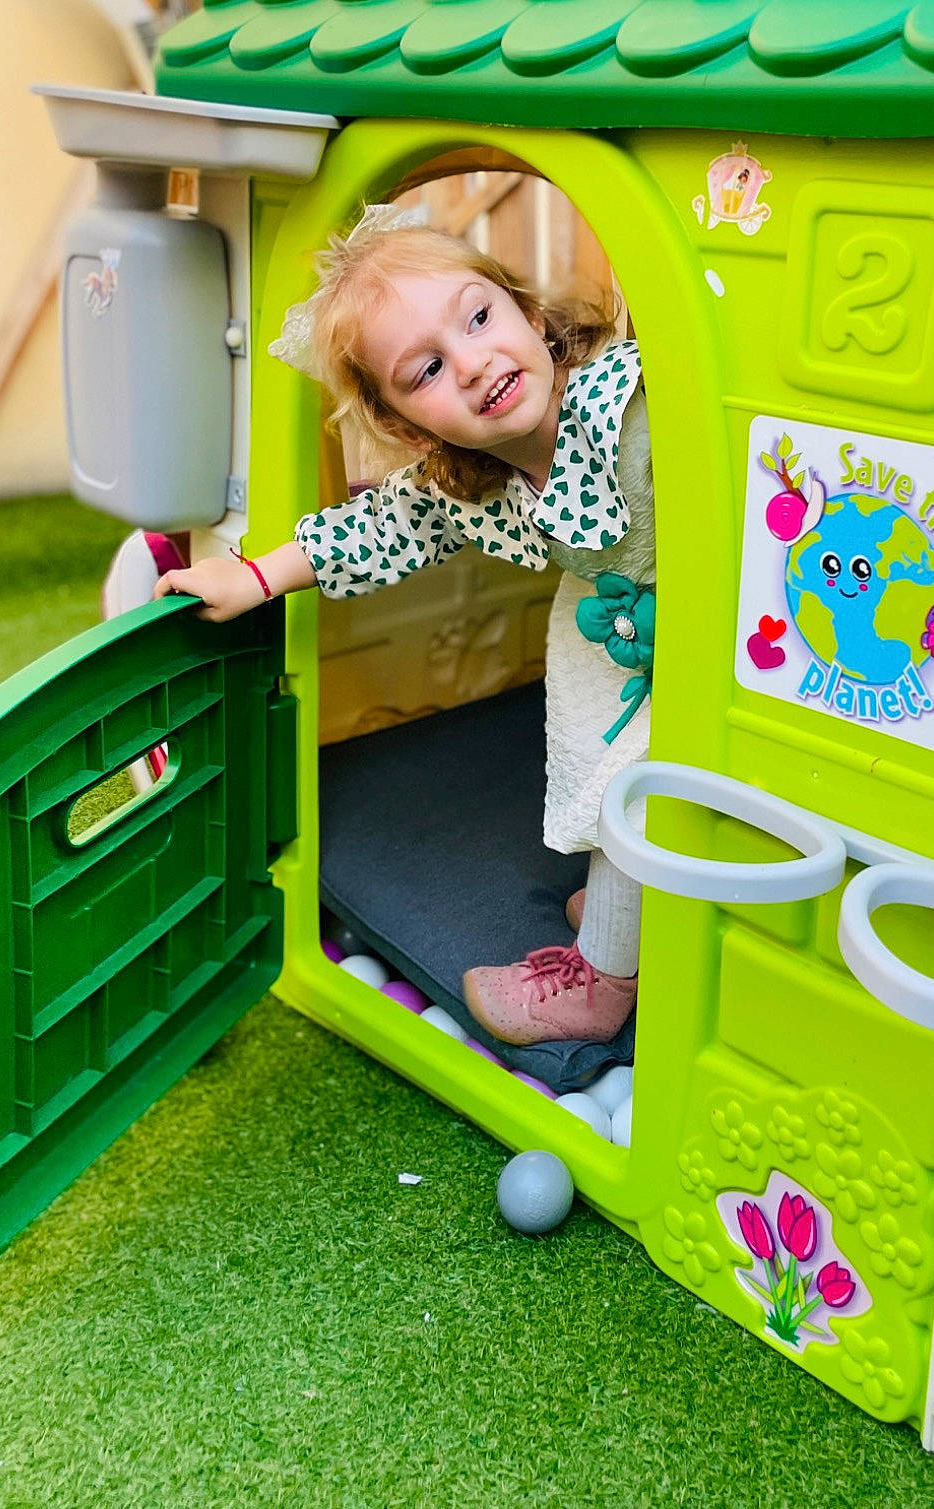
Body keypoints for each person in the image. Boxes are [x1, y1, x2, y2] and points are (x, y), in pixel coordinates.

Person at [154, 206, 652, 1047]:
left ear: (530, 313)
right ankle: (628, 900)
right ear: (402, 423)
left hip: (714, 618)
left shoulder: (627, 398)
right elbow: (380, 528)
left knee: (641, 778)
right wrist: (253, 576)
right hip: (614, 624)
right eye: (426, 370)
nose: (474, 363)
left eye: (479, 318)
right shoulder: (473, 480)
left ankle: (603, 981)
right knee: (597, 764)